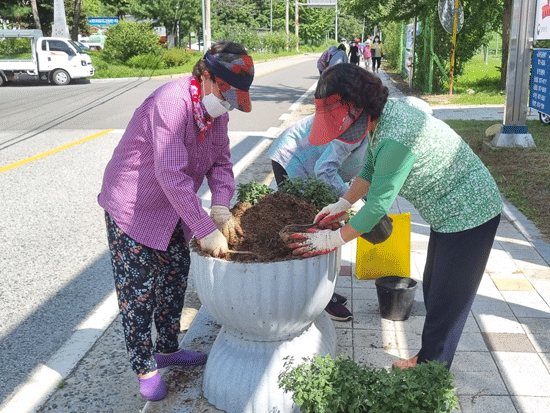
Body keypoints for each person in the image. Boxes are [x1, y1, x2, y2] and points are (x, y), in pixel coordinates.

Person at [287, 64, 502, 370]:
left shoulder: (396, 136)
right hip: (449, 214)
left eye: (343, 124)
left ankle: (431, 373)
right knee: (433, 285)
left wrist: (333, 239)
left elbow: (376, 207)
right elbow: (369, 171)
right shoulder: (383, 120)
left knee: (447, 300)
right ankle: (428, 357)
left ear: (361, 108)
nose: (342, 132)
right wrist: (343, 202)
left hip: (472, 212)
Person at [97, 41, 254, 401]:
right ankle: (144, 366)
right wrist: (204, 229)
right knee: (138, 291)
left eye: (234, 98)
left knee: (174, 276)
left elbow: (221, 163)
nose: (227, 103)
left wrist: (220, 206)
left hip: (173, 209)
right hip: (134, 207)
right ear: (206, 75)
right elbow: (169, 171)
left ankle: (167, 349)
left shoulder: (217, 114)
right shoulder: (173, 101)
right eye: (225, 93)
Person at [268, 113, 371, 321]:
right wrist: (349, 201)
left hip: (315, 170)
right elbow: (324, 169)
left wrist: (365, 200)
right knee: (311, 226)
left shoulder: (379, 135)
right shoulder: (356, 129)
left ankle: (324, 291)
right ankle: (315, 298)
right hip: (294, 158)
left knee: (328, 223)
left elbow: (369, 172)